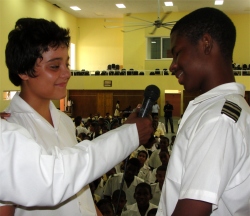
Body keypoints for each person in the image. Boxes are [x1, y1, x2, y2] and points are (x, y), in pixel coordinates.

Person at [0, 18, 153, 215]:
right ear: (23, 71)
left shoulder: (64, 121)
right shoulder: (11, 129)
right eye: (55, 66)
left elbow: (80, 192)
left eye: (67, 63)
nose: (67, 73)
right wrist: (128, 134)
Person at [156, 7, 250, 216]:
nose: (172, 66)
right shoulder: (223, 109)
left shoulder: (218, 118)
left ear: (206, 44)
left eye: (178, 53)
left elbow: (192, 211)